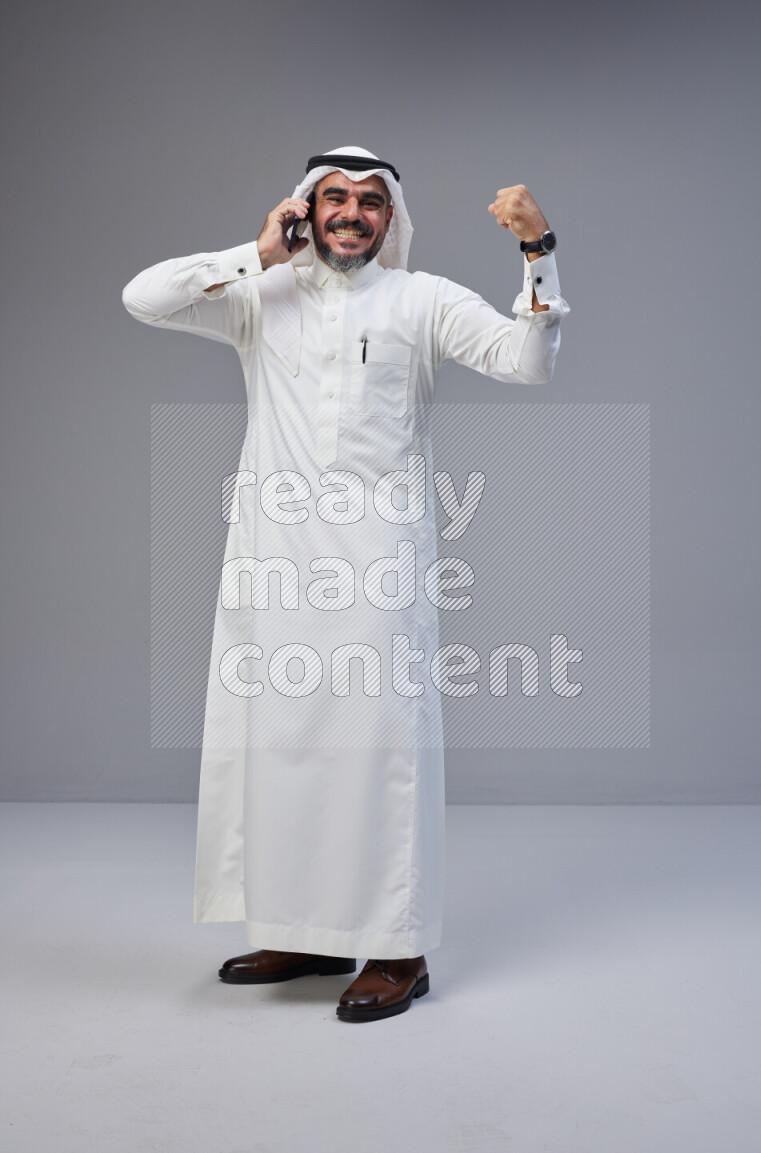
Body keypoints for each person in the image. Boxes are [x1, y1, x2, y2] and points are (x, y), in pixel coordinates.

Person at [122, 145, 570, 1023]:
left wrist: (538, 250)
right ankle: (308, 929)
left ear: (391, 218)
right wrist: (256, 254)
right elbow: (144, 297)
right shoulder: (259, 298)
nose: (353, 214)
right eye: (335, 199)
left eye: (371, 201)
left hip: (377, 569)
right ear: (305, 210)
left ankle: (399, 950)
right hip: (274, 564)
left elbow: (529, 362)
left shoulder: (420, 300)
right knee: (284, 746)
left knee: (380, 755)